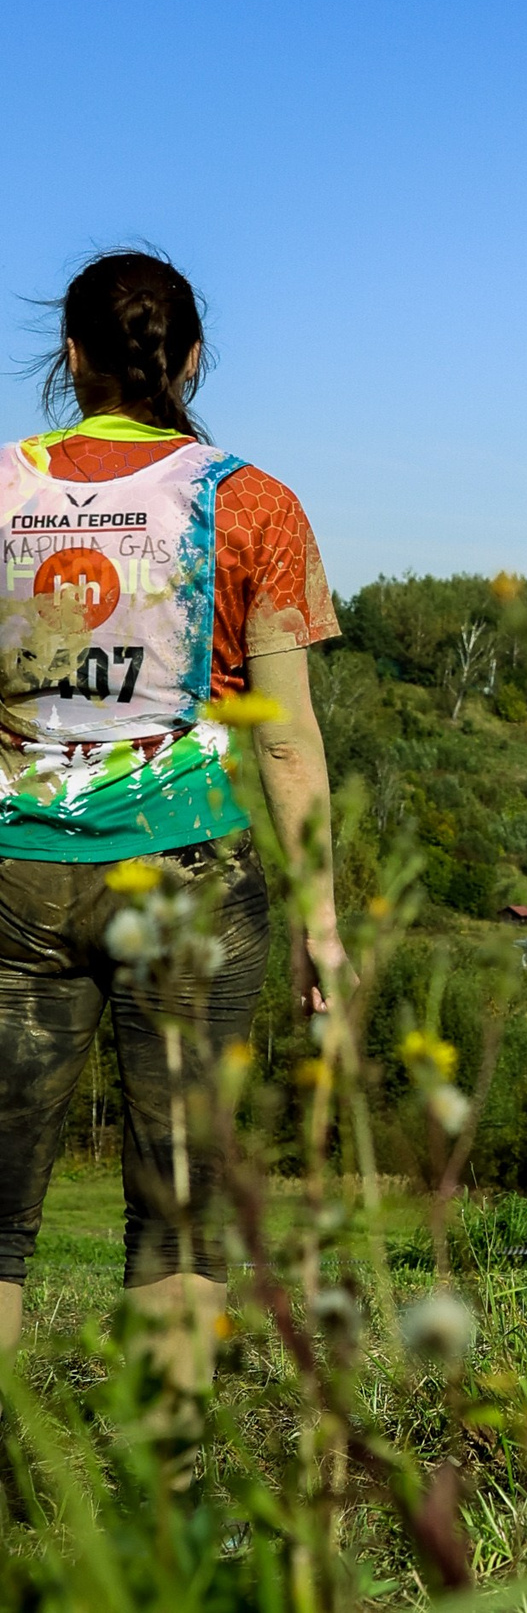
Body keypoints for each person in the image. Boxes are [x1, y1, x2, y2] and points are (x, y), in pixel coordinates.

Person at [0, 251, 343, 1367]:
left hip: (13, 881)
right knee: (178, 1220)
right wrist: (320, 921)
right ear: (191, 360)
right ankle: (166, 1467)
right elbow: (286, 740)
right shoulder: (251, 504)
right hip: (189, 876)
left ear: (71, 358)